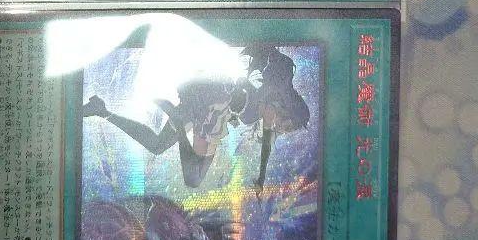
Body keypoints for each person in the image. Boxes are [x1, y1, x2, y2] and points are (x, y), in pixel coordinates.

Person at [82, 43, 310, 195]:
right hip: (209, 107)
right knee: (192, 177)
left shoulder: (263, 109)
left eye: (287, 130)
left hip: (208, 110)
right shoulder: (273, 94)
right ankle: (173, 121)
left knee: (158, 146)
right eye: (288, 124)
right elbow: (266, 146)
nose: (282, 129)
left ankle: (102, 111)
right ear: (288, 109)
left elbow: (262, 140)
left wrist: (260, 178)